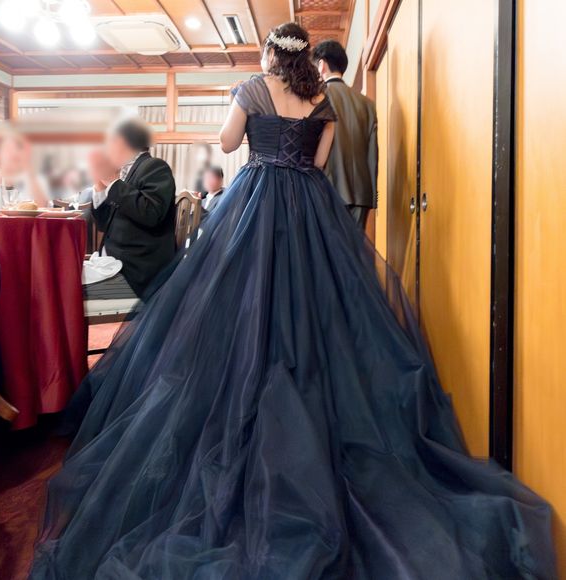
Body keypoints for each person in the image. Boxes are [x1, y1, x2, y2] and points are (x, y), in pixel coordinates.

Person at [30, 23, 555, 580]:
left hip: (256, 205)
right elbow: (320, 164)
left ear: (268, 54)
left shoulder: (253, 88)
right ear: (306, 58)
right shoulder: (321, 100)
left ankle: (246, 392)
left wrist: (255, 130)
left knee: (237, 305)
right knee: (315, 307)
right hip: (309, 210)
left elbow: (227, 144)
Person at [86, 119, 176, 300]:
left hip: (136, 268)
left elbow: (151, 214)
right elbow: (103, 225)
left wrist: (113, 182)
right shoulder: (124, 171)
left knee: (67, 289)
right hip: (112, 261)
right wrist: (100, 188)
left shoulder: (155, 166)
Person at [313, 40, 378, 229]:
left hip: (326, 189)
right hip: (362, 193)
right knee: (354, 246)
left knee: (326, 247)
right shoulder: (367, 104)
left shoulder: (316, 99)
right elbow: (373, 152)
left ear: (321, 65)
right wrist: (372, 193)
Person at [0, 127, 48, 209]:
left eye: (17, 148)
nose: (13, 154)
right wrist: (2, 172)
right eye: (6, 149)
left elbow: (42, 207)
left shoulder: (35, 180)